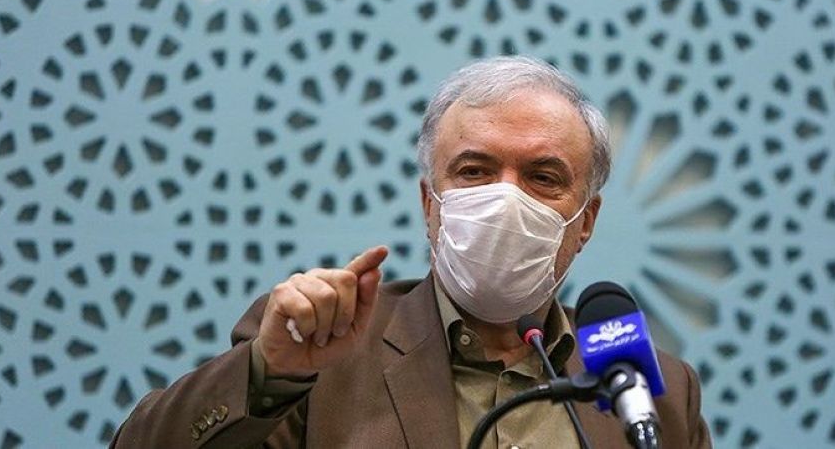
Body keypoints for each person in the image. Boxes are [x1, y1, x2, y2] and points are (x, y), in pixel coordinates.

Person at [112, 56, 712, 448]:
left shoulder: (651, 387)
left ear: (586, 222)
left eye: (543, 178)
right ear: (431, 204)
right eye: (474, 171)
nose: (506, 199)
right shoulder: (324, 350)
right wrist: (269, 373)